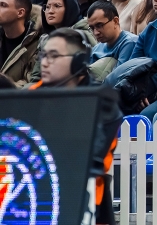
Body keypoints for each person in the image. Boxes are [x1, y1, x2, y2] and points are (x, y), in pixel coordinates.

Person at [32, 27, 121, 224]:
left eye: (54, 56)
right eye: (43, 55)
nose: (45, 62)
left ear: (79, 61)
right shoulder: (31, 96)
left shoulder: (101, 102)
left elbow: (90, 155)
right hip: (34, 196)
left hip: (82, 199)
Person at [30, 0, 97, 82]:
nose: (50, 11)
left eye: (57, 6)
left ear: (70, 9)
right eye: (47, 7)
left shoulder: (82, 35)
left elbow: (91, 69)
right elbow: (36, 77)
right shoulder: (45, 38)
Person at [87, 0, 138, 80]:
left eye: (99, 25)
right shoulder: (96, 48)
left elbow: (117, 79)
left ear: (115, 21)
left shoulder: (130, 43)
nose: (96, 32)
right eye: (92, 28)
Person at [0, 0, 41, 87]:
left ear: (20, 13)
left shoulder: (37, 44)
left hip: (16, 100)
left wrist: (5, 84)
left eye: (3, 5)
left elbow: (30, 83)